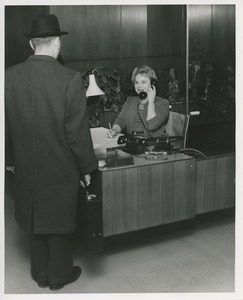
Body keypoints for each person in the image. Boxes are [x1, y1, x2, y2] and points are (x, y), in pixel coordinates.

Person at [5, 14, 98, 290]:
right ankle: (59, 276)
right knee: (59, 219)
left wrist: (9, 161)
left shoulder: (8, 77)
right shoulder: (69, 79)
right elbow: (77, 134)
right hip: (60, 166)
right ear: (57, 43)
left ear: (33, 44)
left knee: (35, 216)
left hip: (25, 165)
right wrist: (88, 168)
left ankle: (41, 273)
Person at [107, 65, 169, 139]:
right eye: (136, 82)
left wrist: (151, 102)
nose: (139, 86)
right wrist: (114, 130)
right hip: (132, 141)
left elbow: (152, 125)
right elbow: (121, 120)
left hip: (152, 144)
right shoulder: (130, 101)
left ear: (152, 84)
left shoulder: (162, 103)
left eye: (143, 82)